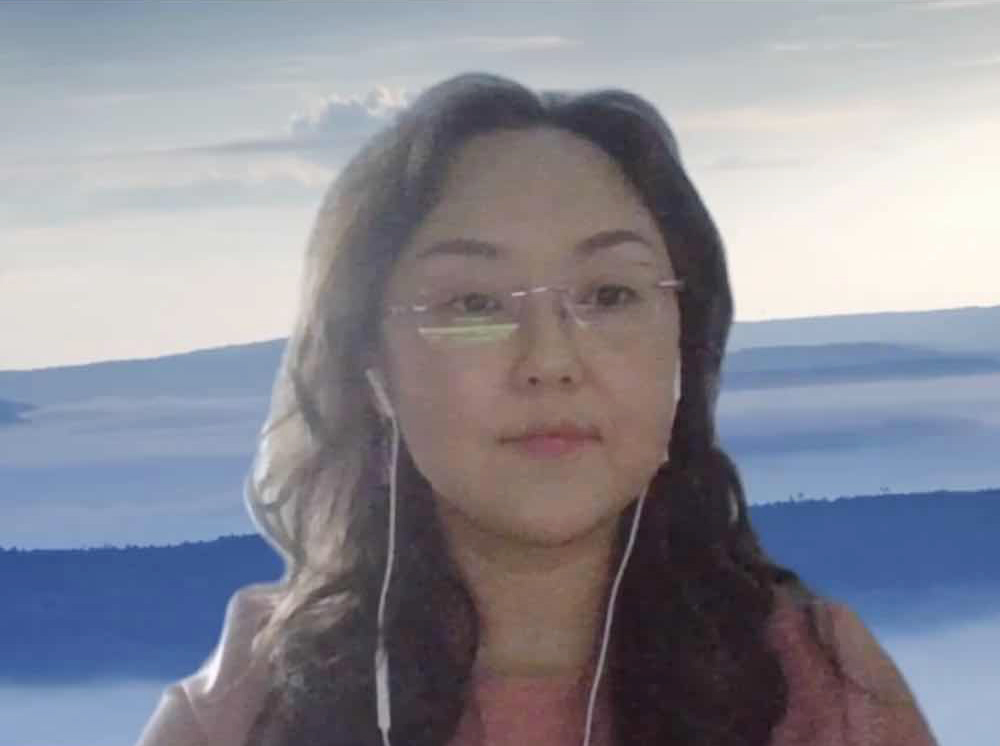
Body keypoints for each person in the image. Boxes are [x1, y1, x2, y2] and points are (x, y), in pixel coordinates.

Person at [136, 72, 938, 746]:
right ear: (372, 366)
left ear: (683, 348)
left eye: (610, 294)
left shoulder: (826, 694)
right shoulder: (246, 713)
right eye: (474, 303)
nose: (550, 361)